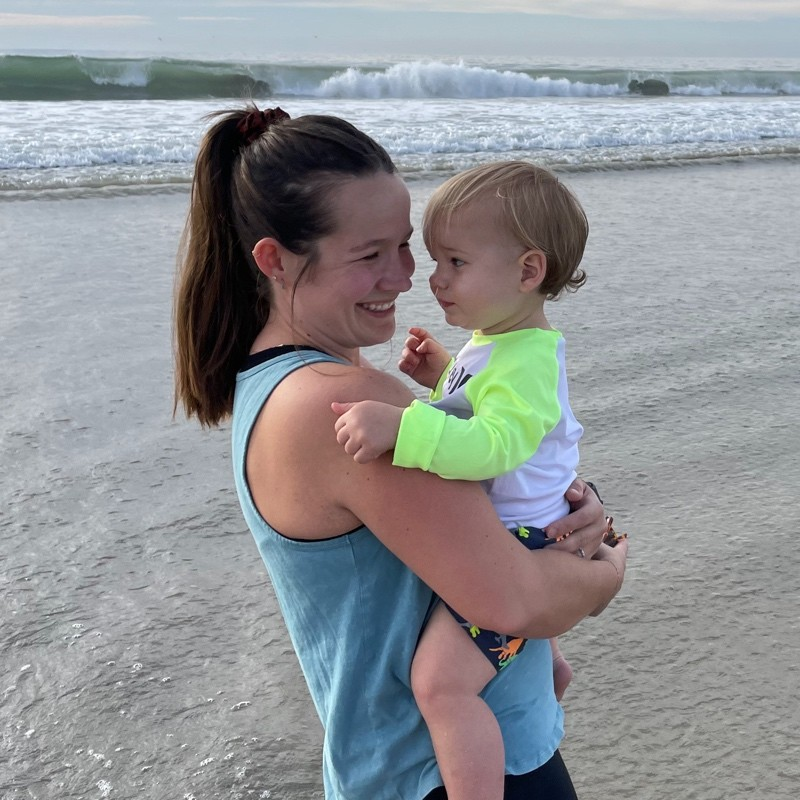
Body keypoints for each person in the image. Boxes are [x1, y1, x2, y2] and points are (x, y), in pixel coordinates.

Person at [173, 105, 628, 800]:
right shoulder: (342, 404)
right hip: (456, 775)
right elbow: (515, 599)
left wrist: (573, 503)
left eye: (404, 246)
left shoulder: (272, 386)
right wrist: (609, 565)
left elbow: (498, 461)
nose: (407, 276)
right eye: (370, 255)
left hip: (408, 764)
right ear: (275, 260)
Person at [331, 161, 620, 800]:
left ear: (528, 270)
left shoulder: (527, 360)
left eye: (456, 262)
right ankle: (550, 672)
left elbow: (493, 447)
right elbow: (487, 413)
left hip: (524, 543)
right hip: (525, 530)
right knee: (492, 659)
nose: (435, 279)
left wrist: (403, 426)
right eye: (437, 260)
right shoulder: (500, 341)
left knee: (442, 686)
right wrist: (441, 377)